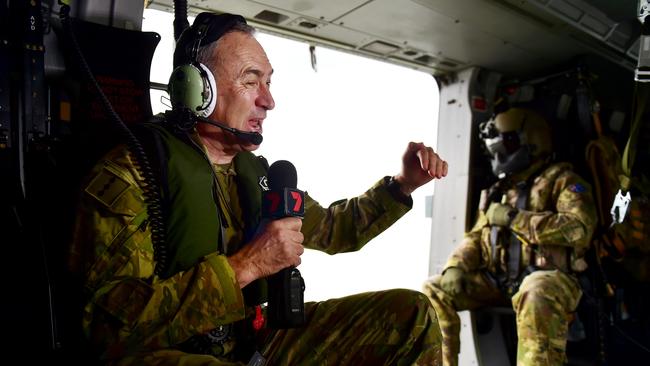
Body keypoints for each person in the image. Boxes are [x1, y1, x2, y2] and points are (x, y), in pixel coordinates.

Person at [68, 12, 448, 365]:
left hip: (251, 338)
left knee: (410, 315)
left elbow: (334, 229)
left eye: (268, 83)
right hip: (171, 350)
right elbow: (107, 328)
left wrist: (403, 186)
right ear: (197, 89)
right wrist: (247, 265)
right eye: (251, 82)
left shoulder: (259, 176)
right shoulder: (132, 174)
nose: (269, 101)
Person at [422, 107, 598, 366]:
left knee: (535, 289)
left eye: (508, 144)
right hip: (501, 282)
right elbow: (476, 236)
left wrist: (515, 219)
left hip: (554, 280)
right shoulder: (498, 191)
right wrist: (455, 267)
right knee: (432, 289)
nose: (500, 153)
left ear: (532, 142)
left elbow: (579, 229)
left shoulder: (564, 181)